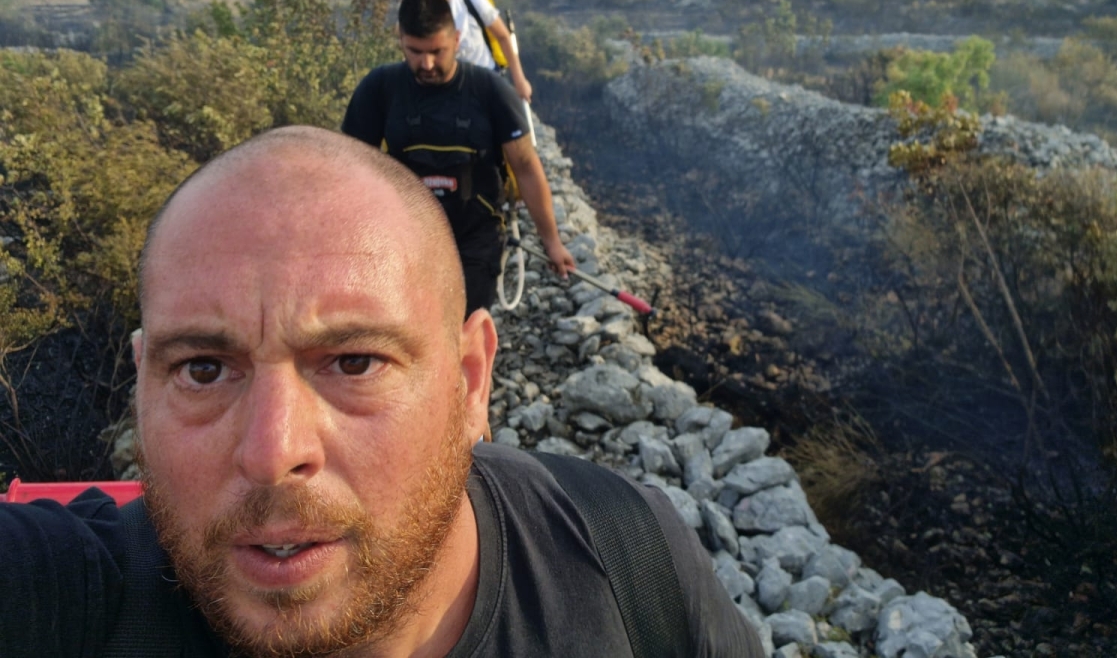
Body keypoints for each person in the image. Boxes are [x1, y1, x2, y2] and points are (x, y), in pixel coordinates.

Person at [0, 126, 763, 657]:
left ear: (470, 381)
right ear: (142, 384)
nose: (271, 452)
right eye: (203, 369)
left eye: (355, 362)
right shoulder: (66, 600)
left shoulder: (628, 556)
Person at [341, 0, 573, 315]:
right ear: (400, 39)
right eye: (415, 51)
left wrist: (552, 242)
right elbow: (350, 169)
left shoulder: (490, 91)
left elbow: (525, 166)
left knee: (463, 327)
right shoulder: (380, 89)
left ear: (457, 39)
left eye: (437, 51)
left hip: (476, 235)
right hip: (404, 237)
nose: (427, 64)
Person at [416, 0, 533, 103]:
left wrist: (519, 80)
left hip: (488, 81)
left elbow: (503, 36)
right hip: (451, 92)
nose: (435, 1)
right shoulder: (418, 17)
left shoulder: (473, 2)